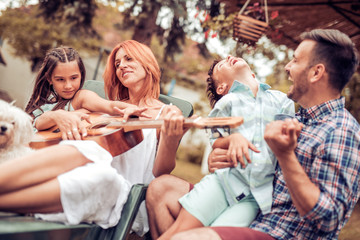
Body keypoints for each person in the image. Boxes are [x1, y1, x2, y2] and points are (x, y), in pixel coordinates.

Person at [147, 28, 360, 240]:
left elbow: (329, 219)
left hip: (279, 230)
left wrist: (285, 156)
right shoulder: (298, 118)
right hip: (247, 198)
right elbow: (230, 140)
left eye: (295, 61)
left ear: (316, 72)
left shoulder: (341, 129)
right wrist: (220, 151)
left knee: (189, 237)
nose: (287, 67)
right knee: (160, 189)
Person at [0, 40, 186, 236]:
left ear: (147, 63)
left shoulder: (167, 112)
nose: (121, 65)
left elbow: (161, 171)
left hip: (121, 188)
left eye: (128, 58)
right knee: (88, 157)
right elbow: (40, 120)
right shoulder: (108, 107)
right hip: (86, 174)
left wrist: (170, 139)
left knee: (99, 169)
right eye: (117, 63)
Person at [147, 55, 294, 240]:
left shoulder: (281, 101)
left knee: (213, 236)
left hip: (255, 197)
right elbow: (216, 139)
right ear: (222, 87)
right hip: (222, 183)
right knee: (179, 232)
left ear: (253, 74)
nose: (230, 57)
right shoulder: (227, 102)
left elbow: (287, 137)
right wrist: (233, 139)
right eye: (223, 64)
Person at [25, 46, 148, 140]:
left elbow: (109, 106)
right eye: (60, 79)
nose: (68, 85)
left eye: (74, 78)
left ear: (81, 75)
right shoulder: (45, 102)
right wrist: (57, 115)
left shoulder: (81, 97)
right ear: (49, 79)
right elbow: (39, 123)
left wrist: (130, 108)